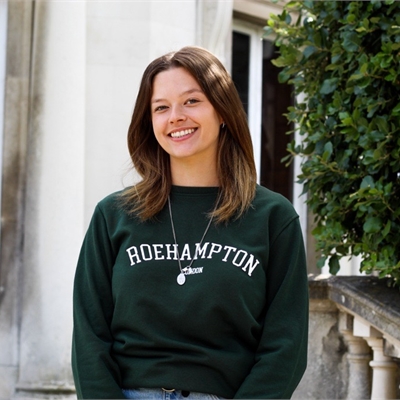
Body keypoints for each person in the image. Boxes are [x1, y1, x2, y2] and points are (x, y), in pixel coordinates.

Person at [72, 46, 309, 399]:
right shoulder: (114, 214)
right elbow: (89, 335)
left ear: (223, 110)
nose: (176, 116)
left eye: (192, 101)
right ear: (149, 122)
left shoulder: (272, 217)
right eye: (161, 107)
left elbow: (285, 346)